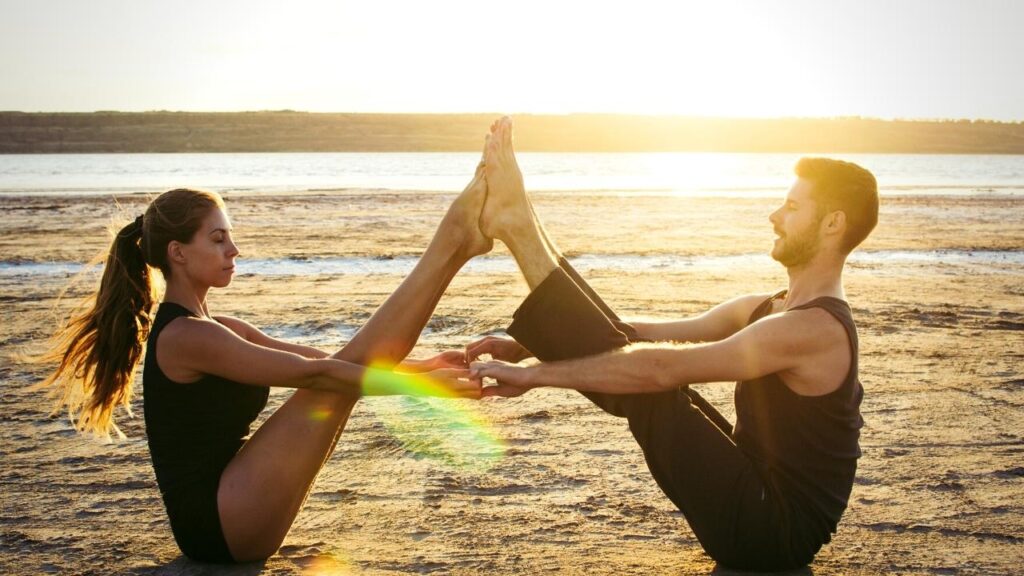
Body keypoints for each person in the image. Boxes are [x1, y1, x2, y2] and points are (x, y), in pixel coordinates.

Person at [468, 117, 878, 571]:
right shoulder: (769, 308)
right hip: (759, 499)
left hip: (773, 531)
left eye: (792, 207)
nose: (774, 216)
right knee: (636, 358)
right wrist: (529, 347)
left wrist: (534, 377)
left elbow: (660, 369)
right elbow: (636, 335)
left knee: (655, 390)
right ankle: (520, 218)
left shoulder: (814, 329)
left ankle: (516, 224)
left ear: (832, 223)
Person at [38, 161, 492, 562]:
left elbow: (320, 357)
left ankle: (455, 247)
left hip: (237, 507)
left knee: (337, 377)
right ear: (177, 252)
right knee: (329, 385)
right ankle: (451, 245)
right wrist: (424, 391)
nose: (233, 250)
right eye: (218, 239)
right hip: (218, 527)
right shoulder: (185, 337)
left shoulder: (216, 326)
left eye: (230, 238)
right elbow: (317, 373)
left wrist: (424, 367)